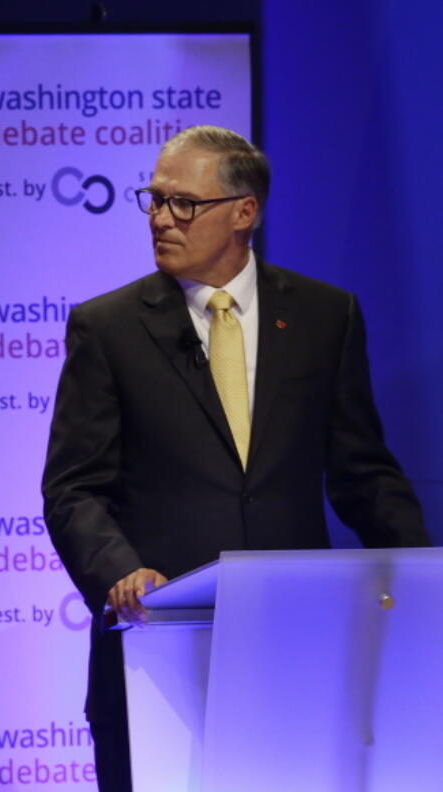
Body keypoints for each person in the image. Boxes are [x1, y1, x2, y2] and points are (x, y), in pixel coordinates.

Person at [41, 126, 430, 792]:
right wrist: (121, 572)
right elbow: (74, 487)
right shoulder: (108, 328)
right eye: (155, 200)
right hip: (159, 648)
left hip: (298, 650)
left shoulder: (324, 316)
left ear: (244, 212)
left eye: (182, 203)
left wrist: (424, 582)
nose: (161, 219)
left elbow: (362, 471)